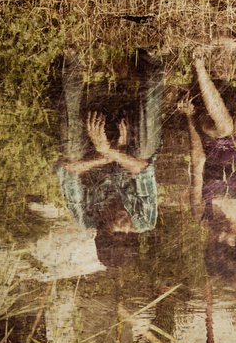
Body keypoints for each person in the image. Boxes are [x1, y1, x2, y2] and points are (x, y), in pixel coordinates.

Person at [55, 49, 163, 237]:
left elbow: (67, 170)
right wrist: (114, 151)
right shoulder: (145, 220)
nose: (126, 228)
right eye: (129, 234)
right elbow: (144, 169)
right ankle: (152, 62)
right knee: (145, 151)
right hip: (131, 139)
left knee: (71, 153)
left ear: (102, 231)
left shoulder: (84, 218)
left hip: (91, 139)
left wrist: (103, 153)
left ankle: (72, 62)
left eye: (118, 233)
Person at [178, 48, 236, 249]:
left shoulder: (201, 214)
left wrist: (190, 117)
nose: (218, 236)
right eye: (223, 243)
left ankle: (199, 63)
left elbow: (198, 160)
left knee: (226, 128)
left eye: (213, 244)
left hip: (212, 137)